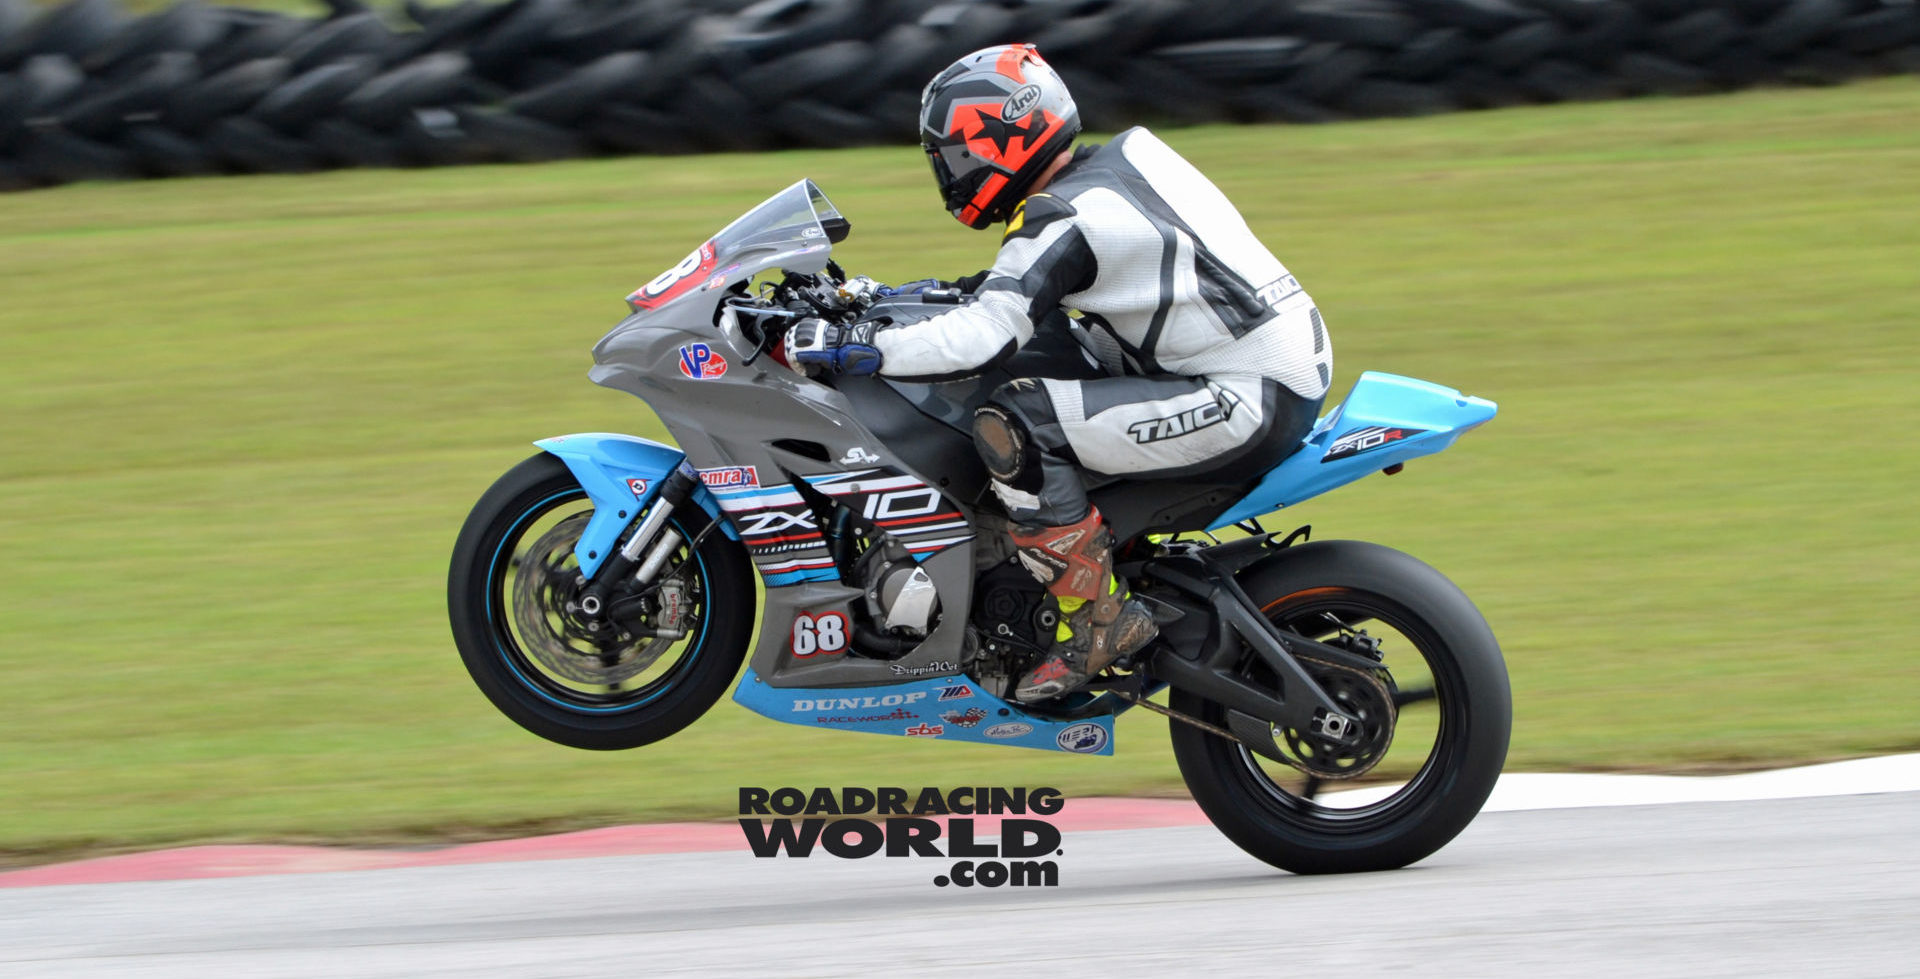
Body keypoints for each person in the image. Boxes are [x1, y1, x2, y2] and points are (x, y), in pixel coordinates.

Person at [791, 44, 1332, 703]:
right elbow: (1014, 291)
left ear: (1005, 133)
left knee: (1018, 419)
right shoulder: (1125, 160)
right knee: (1042, 353)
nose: (952, 174)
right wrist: (888, 300)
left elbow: (987, 330)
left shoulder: (1062, 216)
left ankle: (1094, 619)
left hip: (1242, 397)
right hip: (1267, 368)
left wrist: (857, 348)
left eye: (956, 154)